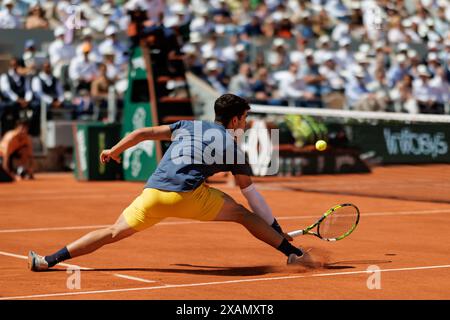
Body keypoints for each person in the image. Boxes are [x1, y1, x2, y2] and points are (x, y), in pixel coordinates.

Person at [28, 94, 312, 271]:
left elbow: (142, 132)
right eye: (245, 118)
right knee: (242, 214)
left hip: (152, 193)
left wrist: (114, 150)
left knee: (113, 231)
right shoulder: (234, 147)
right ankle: (293, 254)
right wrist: (275, 229)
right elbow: (251, 195)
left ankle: (48, 260)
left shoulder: (187, 125)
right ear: (236, 119)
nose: (246, 124)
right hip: (186, 196)